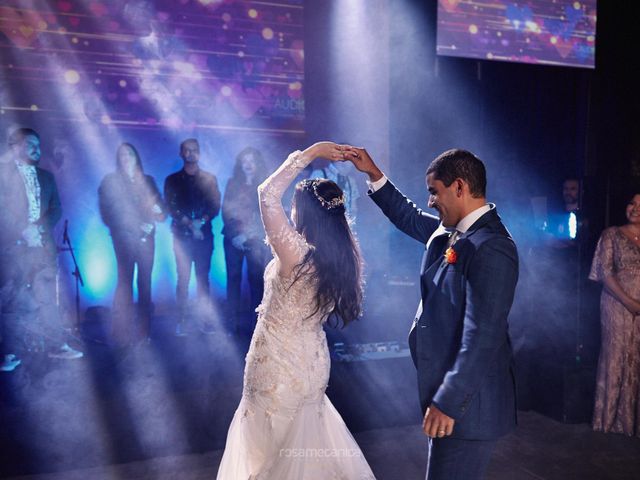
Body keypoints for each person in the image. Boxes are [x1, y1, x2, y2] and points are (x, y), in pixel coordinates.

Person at [345, 147, 518, 480]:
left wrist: (448, 401)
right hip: (452, 399)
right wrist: (373, 173)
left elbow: (482, 335)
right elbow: (409, 217)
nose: (429, 201)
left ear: (459, 187)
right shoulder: (451, 232)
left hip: (469, 404)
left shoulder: (492, 246)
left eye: (433, 192)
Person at [216, 142, 375, 479]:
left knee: (267, 454)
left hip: (277, 366)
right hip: (312, 363)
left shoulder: (297, 254)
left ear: (305, 212)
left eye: (294, 206)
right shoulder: (344, 255)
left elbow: (266, 194)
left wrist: (312, 152)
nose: (289, 211)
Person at [0, 127, 83, 370]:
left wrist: (38, 229)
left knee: (47, 298)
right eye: (30, 144)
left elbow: (56, 208)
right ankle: (9, 353)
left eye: (38, 144)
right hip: (13, 249)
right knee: (12, 300)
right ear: (15, 147)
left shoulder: (46, 176)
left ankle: (56, 346)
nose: (37, 149)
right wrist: (23, 230)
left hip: (42, 247)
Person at [98, 143, 166, 345]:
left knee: (145, 283)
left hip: (146, 240)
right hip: (125, 239)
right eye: (122, 154)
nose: (126, 157)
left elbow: (161, 212)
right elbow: (108, 213)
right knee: (124, 282)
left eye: (129, 153)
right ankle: (122, 331)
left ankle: (144, 331)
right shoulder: (110, 181)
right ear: (117, 159)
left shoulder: (148, 181)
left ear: (136, 157)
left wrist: (153, 219)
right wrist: (135, 227)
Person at [589, 192, 640, 436]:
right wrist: (630, 302)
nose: (635, 208)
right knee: (616, 358)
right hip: (617, 306)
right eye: (632, 202)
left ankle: (632, 425)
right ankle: (608, 422)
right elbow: (605, 274)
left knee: (636, 361)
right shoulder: (612, 234)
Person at [164, 138, 221, 336]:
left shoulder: (209, 179)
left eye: (194, 150)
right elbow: (171, 206)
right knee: (183, 279)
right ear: (181, 153)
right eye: (187, 150)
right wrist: (189, 223)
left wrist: (201, 222)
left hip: (204, 237)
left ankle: (205, 321)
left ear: (199, 153)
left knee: (203, 279)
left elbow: (215, 205)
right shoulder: (172, 180)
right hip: (181, 237)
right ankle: (182, 321)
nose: (190, 153)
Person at [221, 147, 269, 330]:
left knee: (256, 280)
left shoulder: (265, 184)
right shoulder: (232, 183)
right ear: (240, 164)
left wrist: (247, 235)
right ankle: (231, 324)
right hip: (233, 239)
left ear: (257, 163)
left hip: (255, 239)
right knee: (233, 279)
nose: (248, 165)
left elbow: (265, 213)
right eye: (244, 161)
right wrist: (236, 235)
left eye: (251, 161)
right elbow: (226, 211)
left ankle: (257, 324)